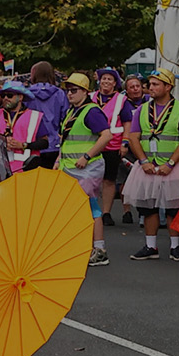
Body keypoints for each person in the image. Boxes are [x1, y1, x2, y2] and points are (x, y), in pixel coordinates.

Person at [124, 69, 179, 261]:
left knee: (174, 207)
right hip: (148, 166)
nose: (150, 88)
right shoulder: (141, 110)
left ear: (168, 87)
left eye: (156, 84)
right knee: (148, 207)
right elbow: (133, 137)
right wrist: (143, 161)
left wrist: (171, 163)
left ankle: (175, 247)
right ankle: (150, 246)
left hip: (173, 167)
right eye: (150, 84)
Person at [54, 73, 113, 267]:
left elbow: (106, 135)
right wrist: (58, 160)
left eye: (74, 90)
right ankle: (82, 247)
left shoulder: (91, 111)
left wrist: (86, 156)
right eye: (67, 90)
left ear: (85, 91)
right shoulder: (73, 111)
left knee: (91, 207)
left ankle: (99, 249)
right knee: (76, 208)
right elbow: (67, 140)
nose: (69, 94)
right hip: (70, 167)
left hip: (87, 168)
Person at [92, 67, 135, 227]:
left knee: (109, 180)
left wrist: (125, 142)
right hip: (93, 145)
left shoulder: (121, 100)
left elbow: (127, 123)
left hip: (113, 145)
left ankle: (106, 213)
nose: (106, 81)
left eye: (110, 79)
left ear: (115, 83)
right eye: (104, 78)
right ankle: (91, 211)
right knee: (92, 180)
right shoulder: (91, 97)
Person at [0, 81, 46, 174]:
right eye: (3, 95)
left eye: (9, 95)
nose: (5, 98)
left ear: (20, 97)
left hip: (26, 171)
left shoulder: (34, 116)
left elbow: (45, 143)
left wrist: (23, 145)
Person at [23, 61, 69, 171]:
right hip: (55, 144)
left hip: (34, 144)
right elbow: (66, 118)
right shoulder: (60, 94)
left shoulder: (27, 95)